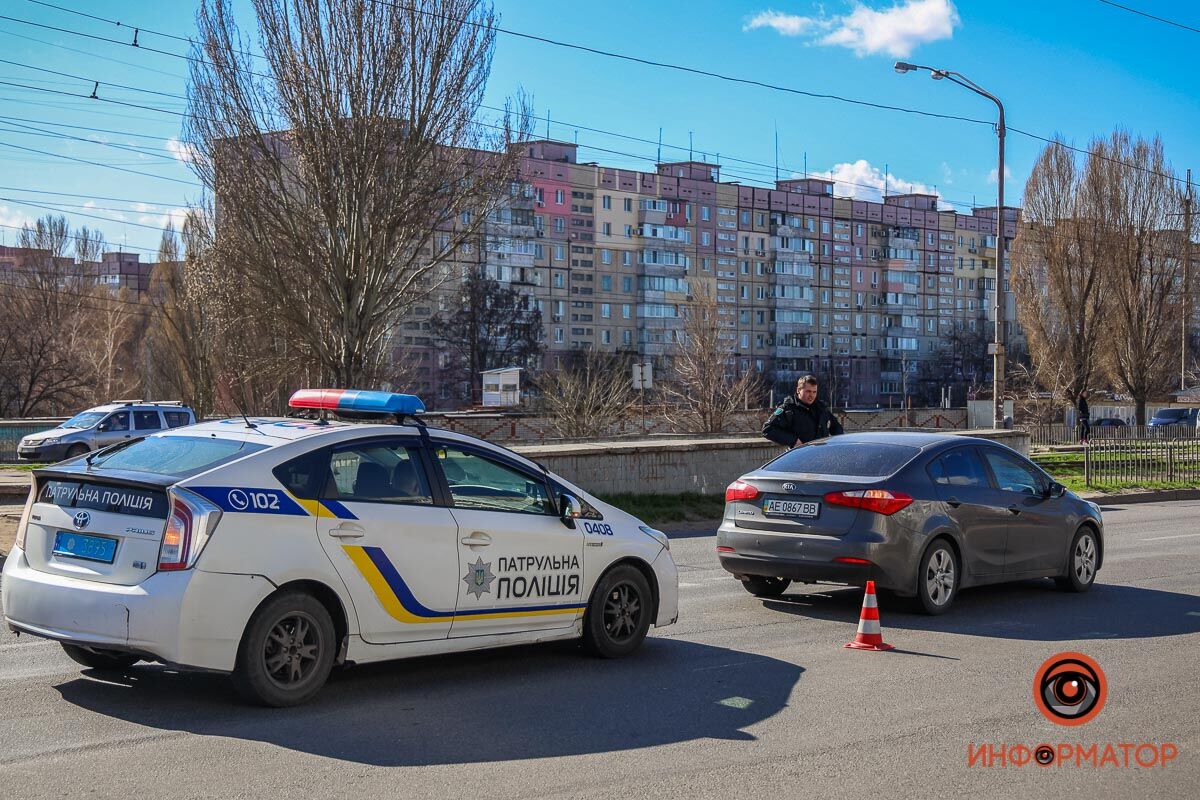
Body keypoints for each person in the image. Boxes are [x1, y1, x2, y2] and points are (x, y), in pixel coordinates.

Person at [762, 375, 844, 448]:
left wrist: (835, 443)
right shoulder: (788, 408)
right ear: (798, 390)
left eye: (814, 392)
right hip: (800, 457)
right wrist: (793, 441)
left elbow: (836, 427)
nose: (811, 395)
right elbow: (768, 429)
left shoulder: (821, 408)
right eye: (808, 391)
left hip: (821, 456)